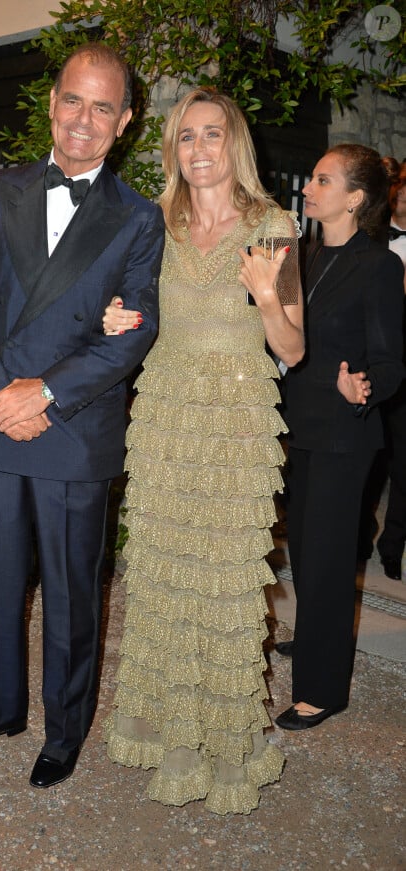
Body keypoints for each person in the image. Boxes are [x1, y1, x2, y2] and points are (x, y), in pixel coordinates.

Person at [0, 42, 165, 789]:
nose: (83, 120)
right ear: (51, 102)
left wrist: (44, 393)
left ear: (125, 121)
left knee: (71, 595)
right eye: (74, 99)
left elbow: (134, 331)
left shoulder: (137, 220)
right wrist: (2, 392)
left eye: (104, 107)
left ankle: (64, 731)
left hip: (72, 429)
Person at [102, 86, 304, 814]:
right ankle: (169, 735)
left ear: (234, 143)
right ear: (172, 149)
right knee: (164, 575)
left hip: (238, 425)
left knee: (223, 581)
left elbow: (293, 346)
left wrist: (269, 294)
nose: (198, 150)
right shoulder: (154, 222)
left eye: (211, 135)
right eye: (185, 137)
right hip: (165, 418)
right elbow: (136, 320)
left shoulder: (271, 224)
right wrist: (119, 316)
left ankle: (225, 747)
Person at [272, 145, 405, 730]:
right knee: (303, 552)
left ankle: (323, 688)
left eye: (323, 180)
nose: (309, 187)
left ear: (354, 198)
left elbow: (392, 362)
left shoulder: (378, 266)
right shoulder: (297, 255)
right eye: (312, 176)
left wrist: (364, 387)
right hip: (292, 425)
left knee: (326, 561)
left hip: (343, 434)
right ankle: (315, 641)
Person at [376, 159, 406, 579]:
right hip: (373, 359)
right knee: (369, 457)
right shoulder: (372, 240)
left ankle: (393, 543)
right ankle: (360, 537)